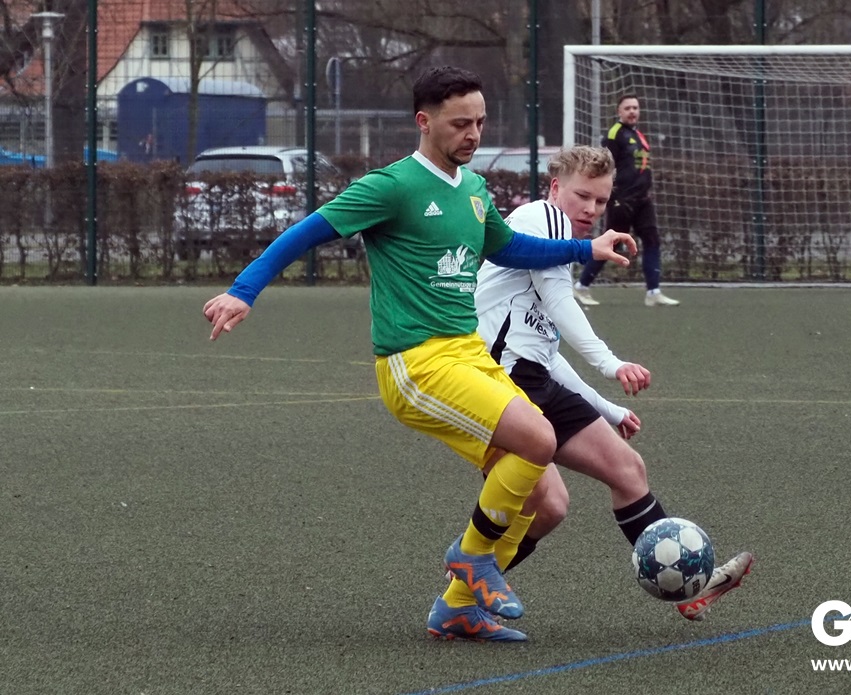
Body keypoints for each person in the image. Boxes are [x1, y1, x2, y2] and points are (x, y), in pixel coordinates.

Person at [202, 66, 638, 643]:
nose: (473, 134)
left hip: (468, 354)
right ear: (424, 122)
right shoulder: (392, 186)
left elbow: (510, 247)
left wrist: (587, 247)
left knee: (547, 501)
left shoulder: (474, 189)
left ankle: (456, 609)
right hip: (416, 362)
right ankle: (471, 558)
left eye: (480, 122)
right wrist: (244, 290)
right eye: (460, 123)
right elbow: (305, 233)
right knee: (538, 438)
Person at [472, 145, 751, 632]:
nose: (591, 210)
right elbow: (559, 301)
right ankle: (459, 596)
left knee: (627, 469)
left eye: (600, 201)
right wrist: (610, 363)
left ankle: (691, 590)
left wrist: (606, 408)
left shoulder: (560, 241)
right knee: (548, 505)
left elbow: (545, 352)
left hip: (531, 378)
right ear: (554, 188)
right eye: (582, 196)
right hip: (497, 383)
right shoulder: (540, 218)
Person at [573, 94, 680, 308]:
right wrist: (611, 195)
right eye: (628, 108)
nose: (632, 111)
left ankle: (653, 292)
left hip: (643, 200)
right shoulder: (615, 134)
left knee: (652, 240)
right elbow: (605, 167)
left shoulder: (639, 135)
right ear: (619, 112)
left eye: (635, 108)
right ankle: (581, 286)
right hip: (622, 200)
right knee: (611, 244)